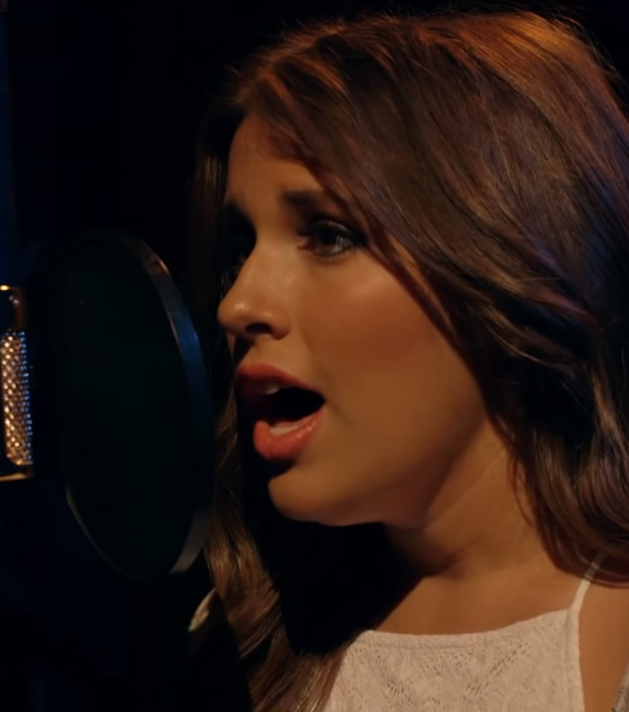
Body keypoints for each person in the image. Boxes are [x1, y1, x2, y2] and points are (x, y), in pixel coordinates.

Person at [183, 8, 629, 712]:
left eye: (328, 235)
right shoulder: (240, 645)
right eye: (242, 249)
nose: (237, 305)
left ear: (505, 258)